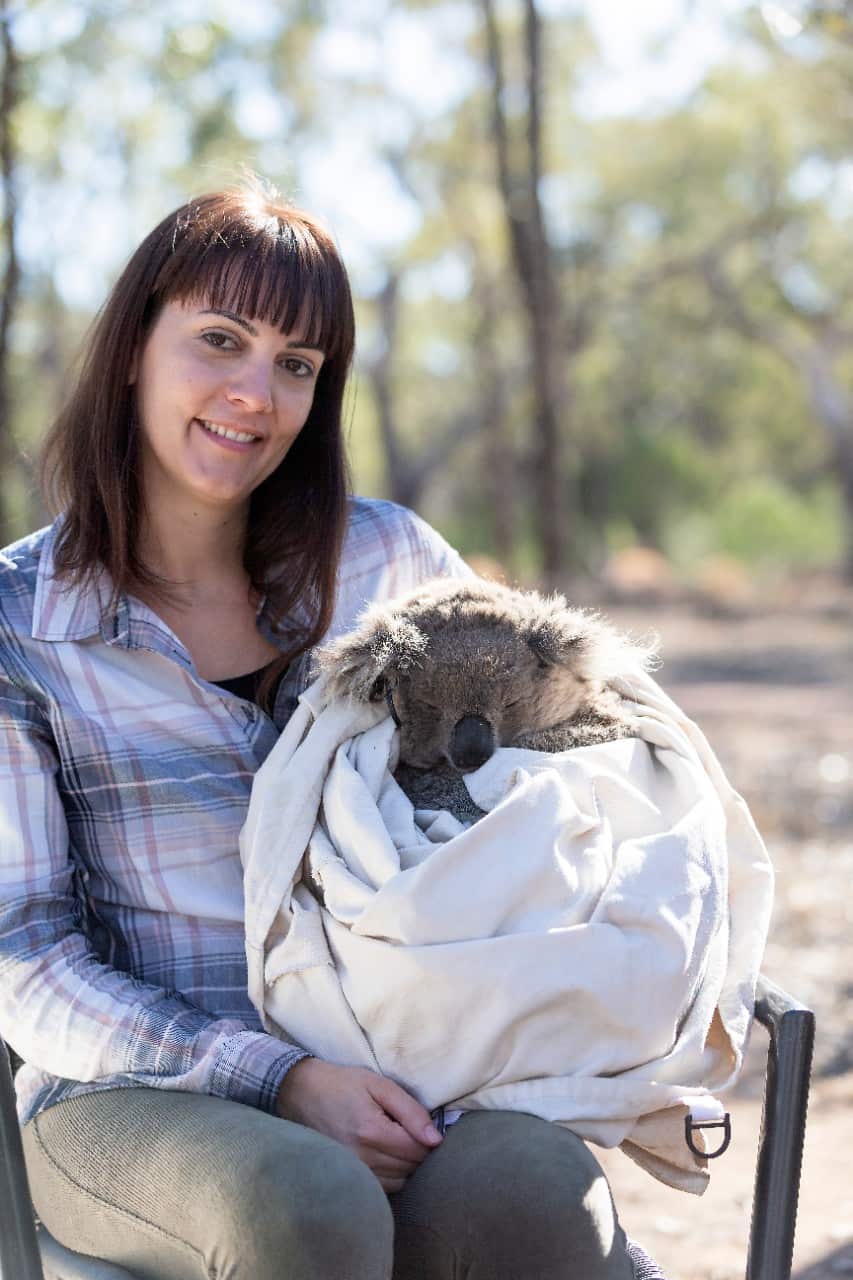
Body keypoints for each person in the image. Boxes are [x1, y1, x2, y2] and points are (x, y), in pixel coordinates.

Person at [0, 180, 636, 1279]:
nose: (256, 391)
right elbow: (24, 951)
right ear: (134, 346)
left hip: (408, 1061)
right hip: (126, 1094)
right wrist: (276, 1078)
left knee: (537, 1190)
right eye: (220, 339)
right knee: (303, 1199)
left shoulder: (391, 563)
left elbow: (547, 774)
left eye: (297, 363)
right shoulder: (20, 621)